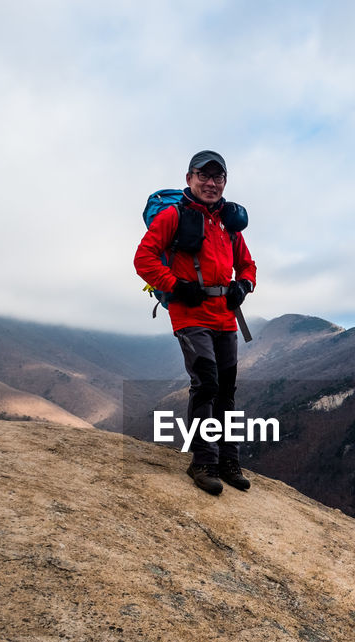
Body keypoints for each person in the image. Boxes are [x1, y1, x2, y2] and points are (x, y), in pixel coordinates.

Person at [134, 150, 257, 495]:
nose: (211, 183)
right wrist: (175, 286)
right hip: (190, 313)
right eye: (204, 175)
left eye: (218, 177)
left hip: (225, 316)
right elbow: (143, 259)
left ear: (225, 183)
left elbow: (248, 265)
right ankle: (203, 461)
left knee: (227, 388)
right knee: (206, 384)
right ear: (189, 178)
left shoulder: (228, 224)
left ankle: (228, 460)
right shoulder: (174, 216)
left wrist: (242, 286)